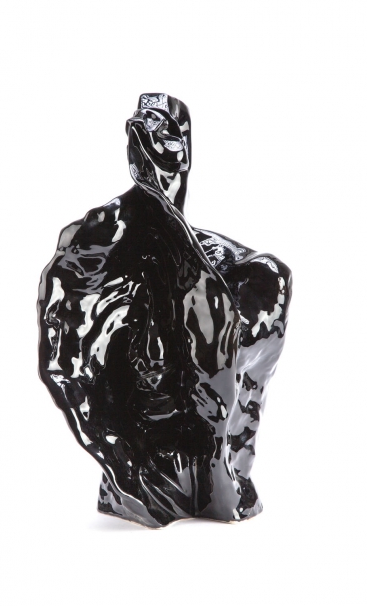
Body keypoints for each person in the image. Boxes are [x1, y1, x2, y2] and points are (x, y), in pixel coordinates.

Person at [38, 93, 292, 528]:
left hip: (202, 445)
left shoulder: (248, 275)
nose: (152, 352)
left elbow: (238, 387)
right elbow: (69, 362)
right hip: (143, 450)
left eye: (171, 141)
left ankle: (212, 473)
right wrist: (120, 460)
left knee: (267, 280)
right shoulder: (105, 238)